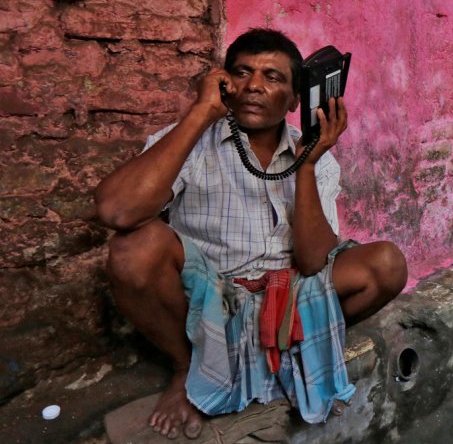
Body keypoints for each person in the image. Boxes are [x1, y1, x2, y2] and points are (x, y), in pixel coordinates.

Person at [95, 28, 407, 439]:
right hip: (211, 298)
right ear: (223, 82)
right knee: (132, 248)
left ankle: (277, 347)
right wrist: (202, 112)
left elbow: (314, 261)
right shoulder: (188, 140)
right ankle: (188, 366)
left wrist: (307, 166)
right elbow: (116, 212)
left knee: (386, 263)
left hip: (287, 292)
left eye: (273, 77)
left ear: (296, 100)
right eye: (242, 72)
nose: (254, 85)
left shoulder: (314, 157)